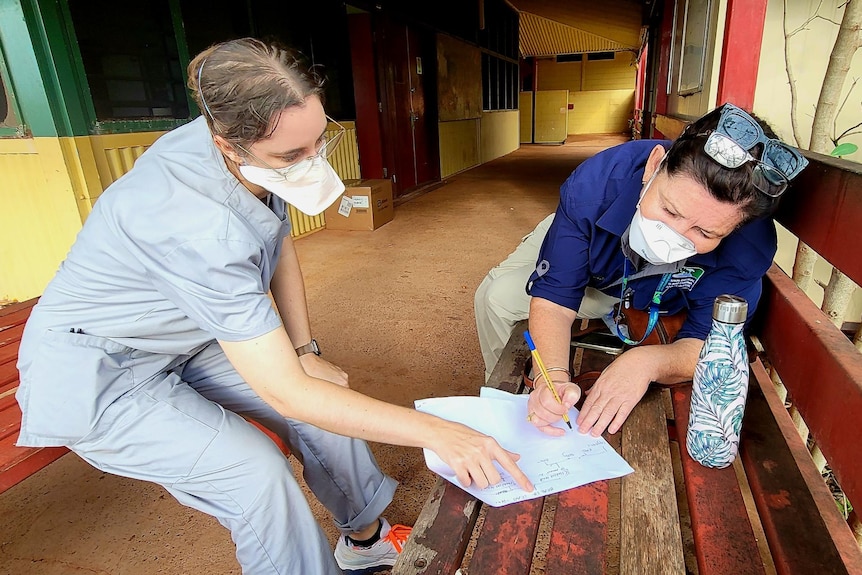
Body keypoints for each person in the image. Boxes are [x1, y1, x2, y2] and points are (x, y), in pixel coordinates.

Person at [16, 38, 532, 575]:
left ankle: (363, 540)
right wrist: (439, 431)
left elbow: (276, 234)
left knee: (324, 401)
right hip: (103, 368)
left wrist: (305, 349)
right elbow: (285, 391)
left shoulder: (249, 143)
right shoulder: (195, 225)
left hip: (187, 335)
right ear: (226, 144)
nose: (312, 163)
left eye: (319, 141)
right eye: (293, 156)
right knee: (253, 474)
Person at [475, 103, 808, 438]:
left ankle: (614, 305)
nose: (674, 236)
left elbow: (709, 345)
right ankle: (510, 401)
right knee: (493, 296)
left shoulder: (748, 248)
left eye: (705, 233)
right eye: (669, 209)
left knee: (500, 295)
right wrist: (555, 379)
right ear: (653, 166)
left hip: (626, 288)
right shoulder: (597, 184)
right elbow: (556, 298)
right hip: (589, 242)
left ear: (736, 228)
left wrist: (647, 363)